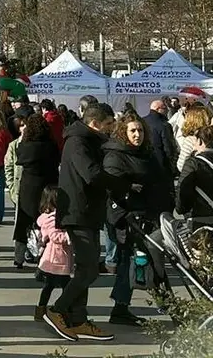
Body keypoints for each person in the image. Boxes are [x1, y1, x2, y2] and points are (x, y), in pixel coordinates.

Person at [43, 104, 133, 342]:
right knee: (89, 268)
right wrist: (120, 183)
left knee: (86, 268)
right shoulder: (78, 142)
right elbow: (91, 174)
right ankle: (58, 310)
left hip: (88, 212)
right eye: (108, 124)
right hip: (77, 212)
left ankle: (79, 319)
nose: (111, 129)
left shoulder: (89, 140)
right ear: (95, 123)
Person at [103, 112, 173, 326]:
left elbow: (159, 180)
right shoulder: (115, 155)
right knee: (137, 263)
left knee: (145, 263)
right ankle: (171, 307)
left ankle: (123, 308)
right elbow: (110, 186)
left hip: (149, 216)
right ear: (124, 132)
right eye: (132, 130)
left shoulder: (147, 154)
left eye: (140, 130)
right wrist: (127, 191)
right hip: (128, 219)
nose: (137, 134)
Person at [13, 113, 60, 271]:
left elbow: (18, 157)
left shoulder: (25, 146)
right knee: (47, 221)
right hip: (49, 187)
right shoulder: (51, 145)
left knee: (24, 222)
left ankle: (18, 257)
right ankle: (44, 255)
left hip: (28, 187)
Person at [35, 186, 73, 325]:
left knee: (50, 286)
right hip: (56, 258)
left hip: (55, 259)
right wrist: (68, 236)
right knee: (65, 286)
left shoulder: (47, 217)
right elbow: (54, 235)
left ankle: (41, 310)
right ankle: (63, 310)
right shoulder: (52, 218)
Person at [143, 99, 178, 178]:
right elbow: (169, 147)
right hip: (162, 165)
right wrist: (172, 166)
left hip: (145, 163)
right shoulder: (164, 125)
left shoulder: (142, 121)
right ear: (158, 109)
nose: (167, 111)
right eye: (165, 108)